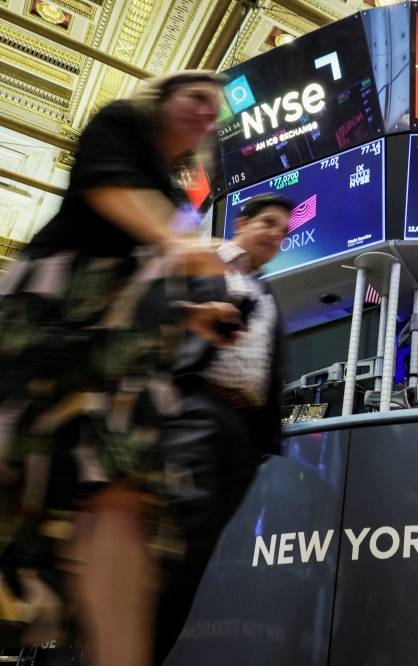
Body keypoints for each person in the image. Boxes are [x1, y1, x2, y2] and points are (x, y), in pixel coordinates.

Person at [0, 71, 239, 666]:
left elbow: (139, 275)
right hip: (52, 328)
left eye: (215, 112)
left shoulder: (172, 188)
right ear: (162, 98)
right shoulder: (121, 123)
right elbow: (109, 195)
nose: (206, 116)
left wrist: (191, 315)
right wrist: (181, 243)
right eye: (197, 100)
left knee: (122, 497)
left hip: (119, 359)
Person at [154, 193, 293, 664]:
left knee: (194, 562)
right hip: (196, 413)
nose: (278, 234)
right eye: (269, 223)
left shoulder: (268, 291)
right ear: (242, 222)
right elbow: (154, 314)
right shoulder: (205, 257)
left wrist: (259, 444)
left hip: (241, 437)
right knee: (170, 547)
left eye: (284, 230)